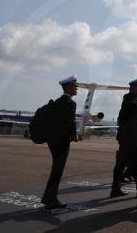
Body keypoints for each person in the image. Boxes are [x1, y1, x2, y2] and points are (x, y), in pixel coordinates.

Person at [41, 75, 80, 210]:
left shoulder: (57, 102)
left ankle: (48, 197)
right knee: (57, 171)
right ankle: (51, 199)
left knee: (56, 170)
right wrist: (74, 135)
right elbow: (70, 122)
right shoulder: (70, 103)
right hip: (61, 142)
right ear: (69, 87)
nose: (77, 89)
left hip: (52, 141)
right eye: (75, 86)